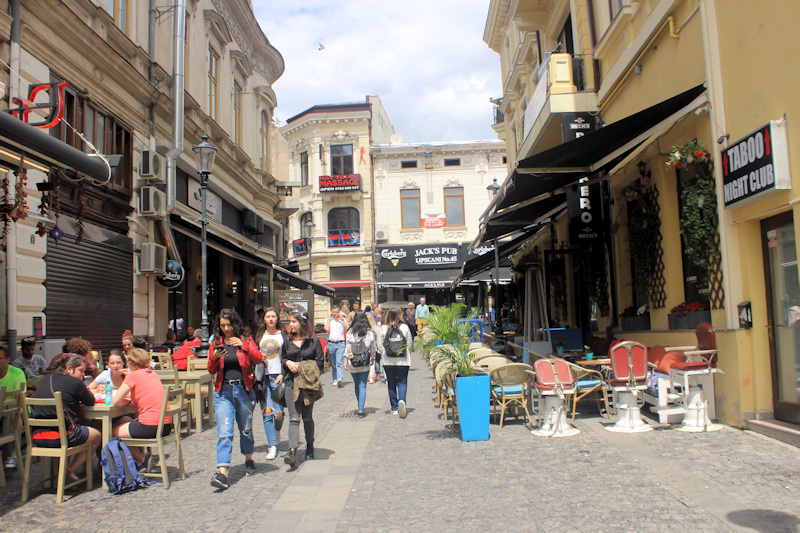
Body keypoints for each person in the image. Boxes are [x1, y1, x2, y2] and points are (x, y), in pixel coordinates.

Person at [207, 308, 263, 490]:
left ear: (234, 323)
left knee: (246, 429)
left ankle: (248, 457)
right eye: (222, 325)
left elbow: (258, 359)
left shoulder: (246, 339)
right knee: (224, 431)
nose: (226, 329)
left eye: (228, 325)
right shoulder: (216, 342)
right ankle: (222, 472)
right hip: (223, 392)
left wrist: (244, 345)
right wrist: (215, 358)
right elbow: (211, 370)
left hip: (243, 389)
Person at [30, 354, 101, 481]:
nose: (83, 375)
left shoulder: (44, 380)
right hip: (62, 437)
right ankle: (68, 474)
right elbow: (90, 401)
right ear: (69, 369)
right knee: (96, 436)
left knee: (69, 428)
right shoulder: (75, 382)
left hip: (38, 436)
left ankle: (63, 473)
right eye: (81, 371)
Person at [111, 348, 169, 471]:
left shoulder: (133, 376)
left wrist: (128, 379)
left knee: (111, 432)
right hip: (166, 425)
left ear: (131, 363)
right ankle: (138, 462)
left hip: (150, 426)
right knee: (125, 422)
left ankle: (141, 460)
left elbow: (116, 400)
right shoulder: (152, 373)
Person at [281, 311, 325, 466]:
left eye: (293, 321)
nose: (290, 324)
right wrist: (287, 363)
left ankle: (310, 447)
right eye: (290, 322)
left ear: (302, 323)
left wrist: (301, 366)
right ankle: (292, 451)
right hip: (291, 384)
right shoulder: (287, 340)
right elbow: (283, 358)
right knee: (294, 416)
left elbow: (320, 362)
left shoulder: (314, 341)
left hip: (307, 385)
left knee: (307, 417)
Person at [254, 308, 287, 461]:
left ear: (277, 318)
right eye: (268, 316)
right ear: (264, 319)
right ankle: (272, 445)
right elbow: (253, 354)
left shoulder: (283, 335)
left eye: (273, 316)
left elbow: (287, 356)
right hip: (263, 376)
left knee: (278, 413)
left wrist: (283, 373)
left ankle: (277, 427)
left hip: (278, 376)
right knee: (267, 412)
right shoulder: (260, 336)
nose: (271, 319)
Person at [378, 308, 413, 418]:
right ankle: (401, 400)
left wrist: (386, 353)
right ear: (399, 316)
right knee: (402, 382)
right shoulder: (404, 327)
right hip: (403, 360)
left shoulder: (383, 328)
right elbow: (409, 344)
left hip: (388, 361)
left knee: (391, 383)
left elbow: (379, 345)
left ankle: (394, 408)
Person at [344, 311, 376, 417]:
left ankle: (359, 404)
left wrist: (345, 360)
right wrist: (372, 357)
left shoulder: (350, 332)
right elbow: (373, 347)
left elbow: (347, 347)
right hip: (364, 360)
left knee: (356, 384)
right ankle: (361, 409)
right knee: (363, 385)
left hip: (352, 361)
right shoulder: (369, 332)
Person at [0, 345, 26, 469]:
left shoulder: (16, 373)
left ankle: (14, 453)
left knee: (15, 412)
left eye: (0, 358)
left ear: (8, 359)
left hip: (15, 409)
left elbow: (19, 400)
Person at [323, 305, 348, 388]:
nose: (335, 314)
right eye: (333, 312)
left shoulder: (342, 319)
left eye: (336, 312)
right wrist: (329, 317)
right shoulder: (328, 320)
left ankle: (340, 378)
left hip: (340, 343)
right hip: (331, 343)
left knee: (339, 362)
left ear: (339, 312)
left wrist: (341, 319)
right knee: (333, 363)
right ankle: (335, 379)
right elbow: (326, 329)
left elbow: (347, 328)